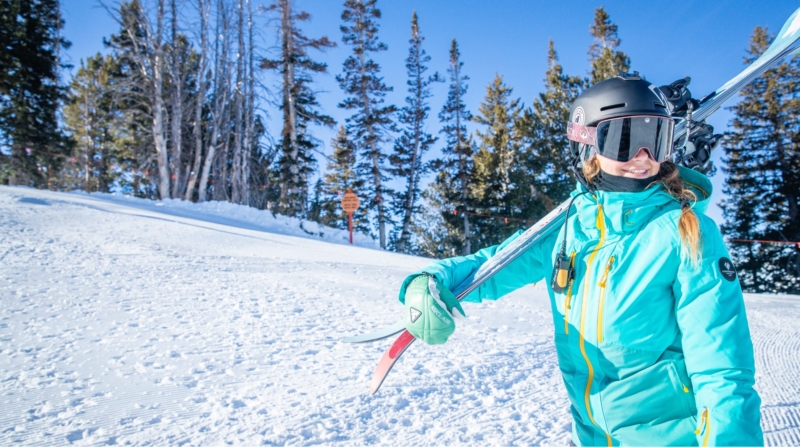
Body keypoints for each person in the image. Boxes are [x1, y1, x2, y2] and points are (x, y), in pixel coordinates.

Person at [398, 73, 763, 446]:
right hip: (591, 437)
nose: (643, 157)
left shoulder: (685, 232)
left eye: (656, 140)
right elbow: (493, 266)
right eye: (625, 140)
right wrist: (431, 279)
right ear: (589, 144)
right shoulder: (568, 227)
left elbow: (721, 367)